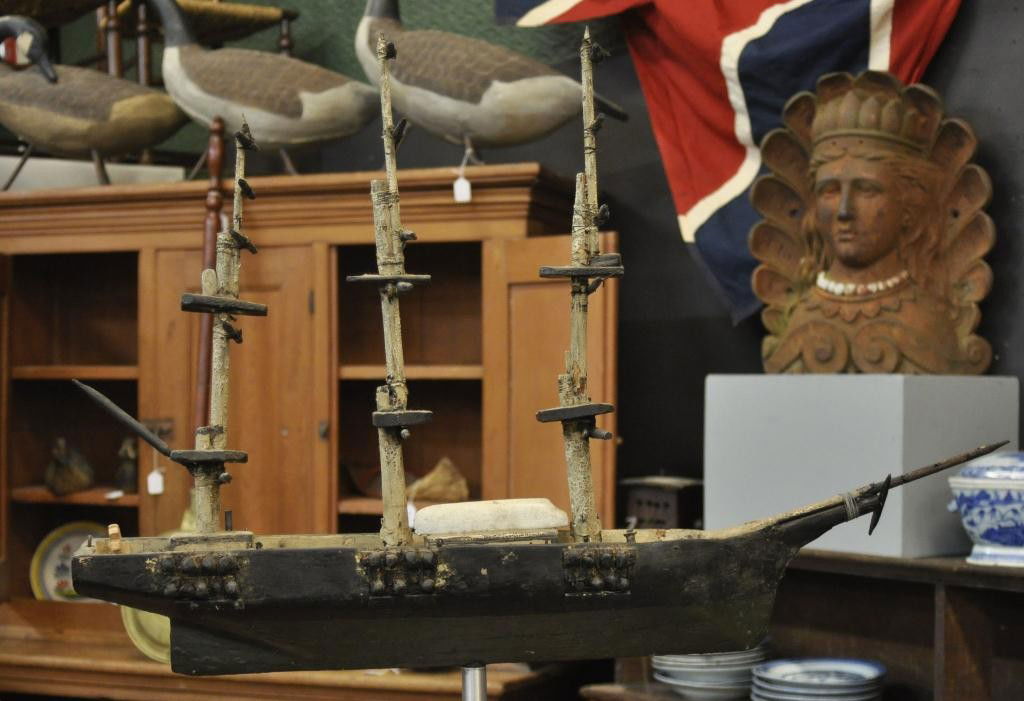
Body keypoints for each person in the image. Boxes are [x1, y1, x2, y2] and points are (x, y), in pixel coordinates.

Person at [752, 70, 992, 374]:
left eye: (867, 190)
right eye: (829, 191)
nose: (844, 211)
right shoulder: (800, 318)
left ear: (908, 209)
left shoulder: (929, 321)